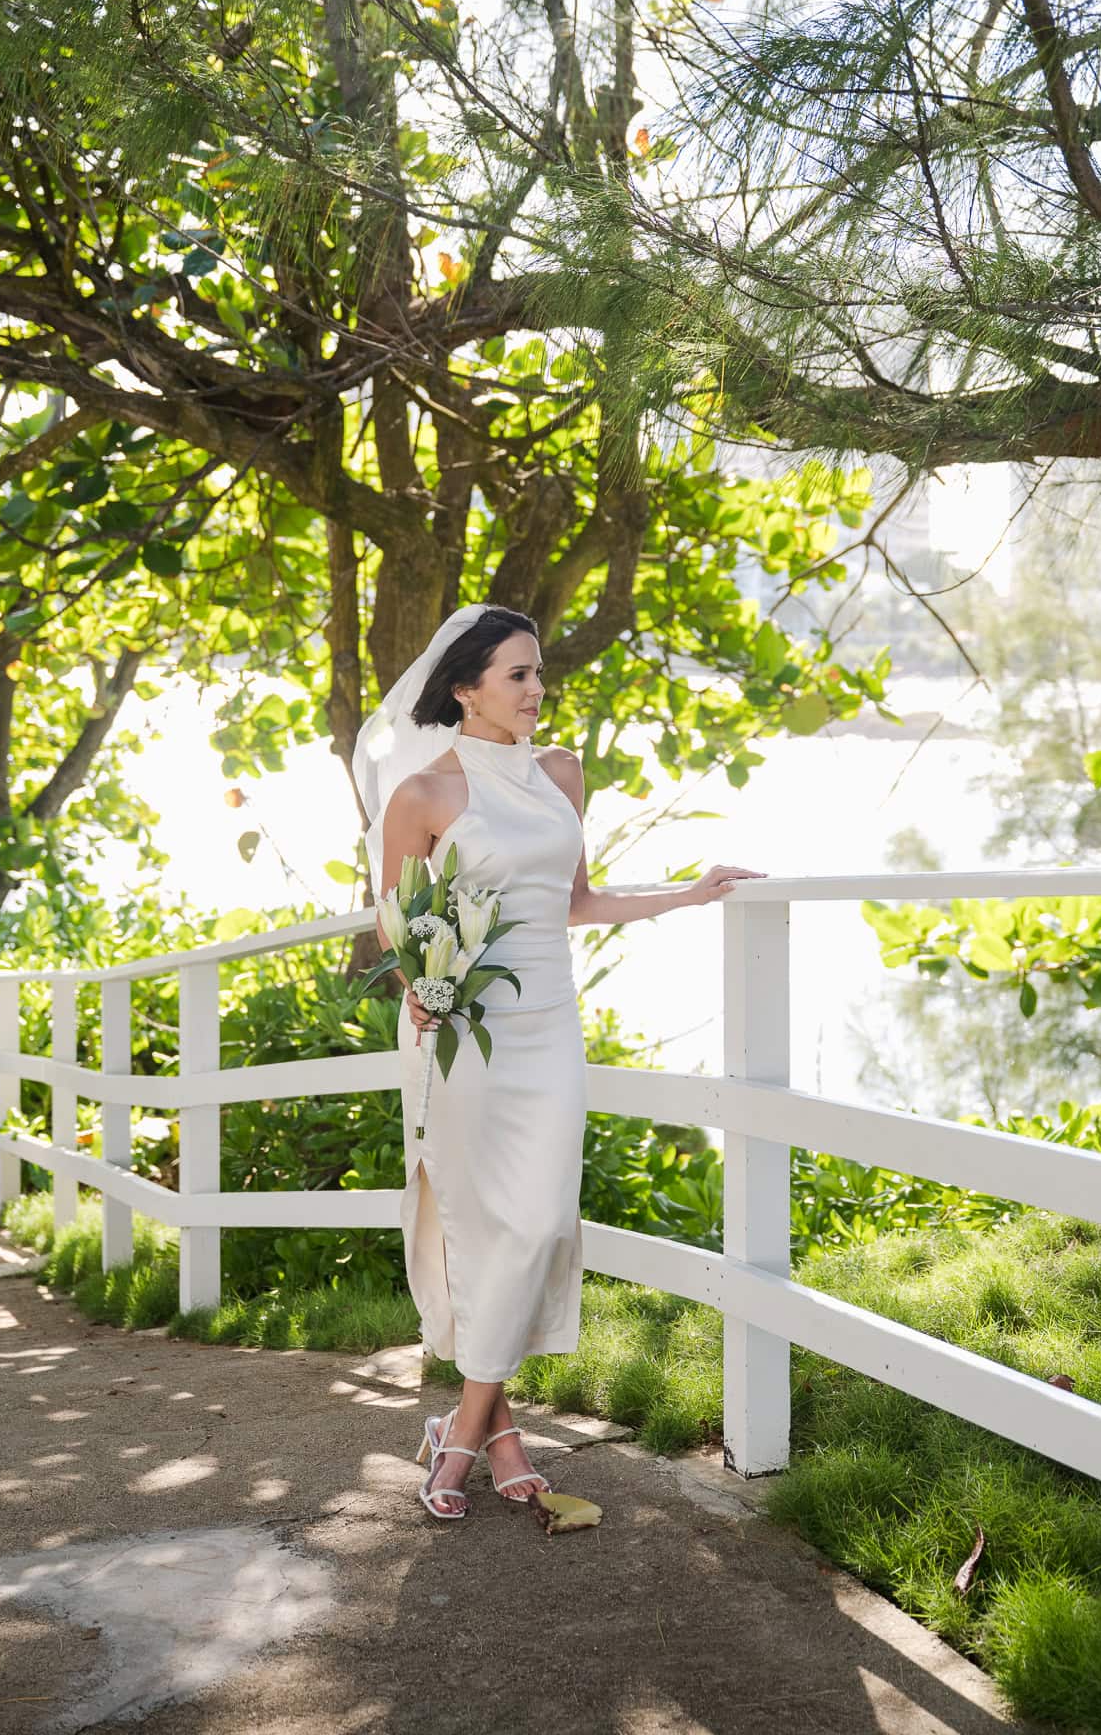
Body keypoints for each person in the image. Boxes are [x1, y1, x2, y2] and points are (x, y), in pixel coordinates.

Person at [352, 601, 763, 1520]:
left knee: (537, 1227)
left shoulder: (561, 773)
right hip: (460, 1038)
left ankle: (463, 1431)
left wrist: (691, 895)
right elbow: (397, 919)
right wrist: (421, 981)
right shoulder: (422, 796)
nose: (538, 690)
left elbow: (574, 899)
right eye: (517, 676)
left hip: (548, 1031)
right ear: (465, 689)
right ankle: (489, 1438)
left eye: (538, 673)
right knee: (480, 1228)